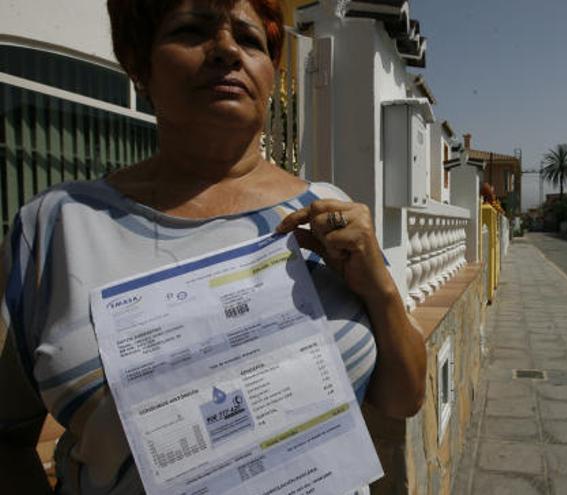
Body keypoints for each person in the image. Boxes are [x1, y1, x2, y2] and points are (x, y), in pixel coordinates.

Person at [0, 0, 427, 492]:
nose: (226, 49)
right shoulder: (57, 228)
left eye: (249, 39)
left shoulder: (328, 213)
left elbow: (403, 399)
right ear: (139, 64)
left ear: (271, 74)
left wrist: (382, 293)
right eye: (191, 29)